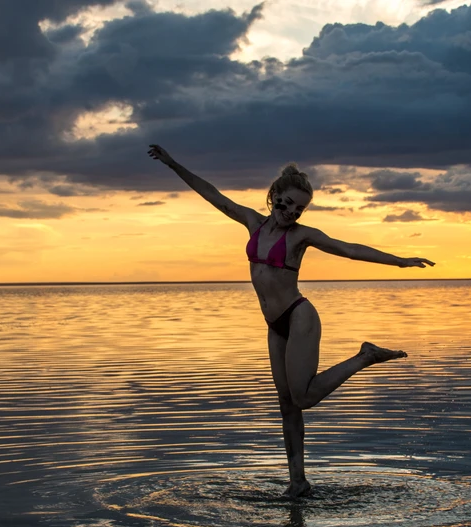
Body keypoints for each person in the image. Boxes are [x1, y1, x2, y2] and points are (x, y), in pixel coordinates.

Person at [148, 144, 435, 498]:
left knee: (303, 398)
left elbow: (349, 248)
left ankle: (365, 357)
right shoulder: (252, 222)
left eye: (300, 208)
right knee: (287, 405)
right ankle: (297, 482)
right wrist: (173, 164)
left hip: (300, 317)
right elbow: (212, 194)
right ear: (274, 197)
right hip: (274, 325)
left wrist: (400, 261)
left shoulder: (301, 236)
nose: (292, 212)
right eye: (288, 204)